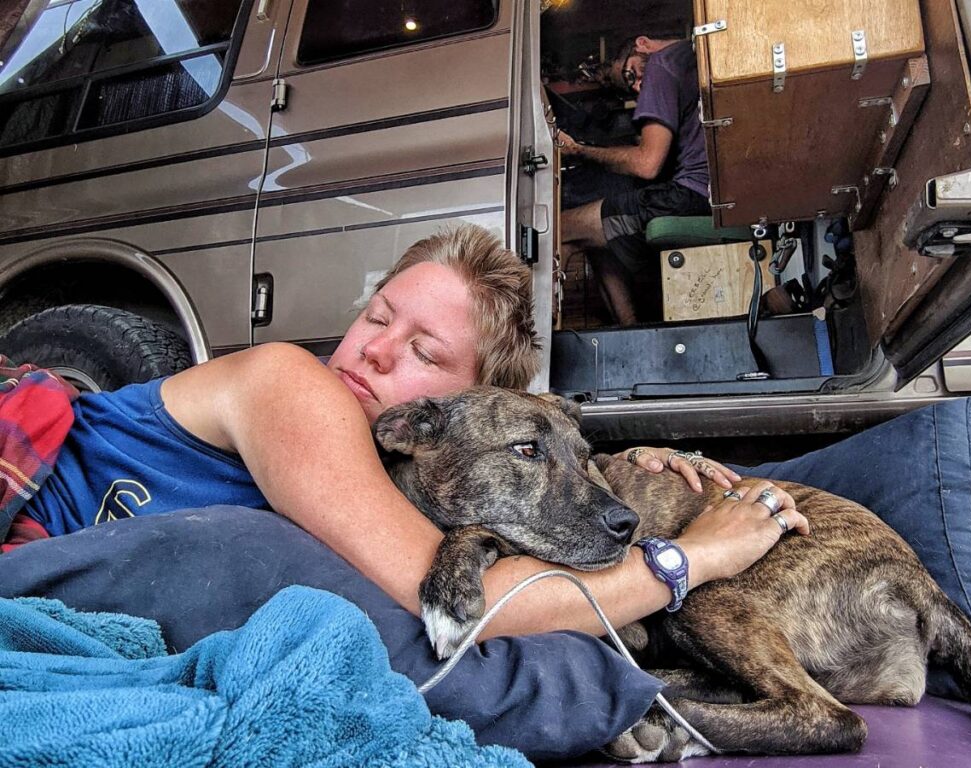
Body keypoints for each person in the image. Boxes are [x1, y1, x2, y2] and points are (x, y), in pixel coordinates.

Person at [16, 224, 806, 642]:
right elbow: (471, 603)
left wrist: (622, 467)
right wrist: (694, 557)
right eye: (377, 315)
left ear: (463, 409)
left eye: (424, 351)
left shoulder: (396, 469)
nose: (373, 349)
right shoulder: (291, 383)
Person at [558, 34, 710, 325]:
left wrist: (578, 150)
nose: (640, 85)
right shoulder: (695, 54)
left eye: (631, 74)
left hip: (688, 197)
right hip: (708, 196)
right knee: (593, 234)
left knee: (561, 227)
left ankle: (534, 344)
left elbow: (647, 164)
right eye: (633, 87)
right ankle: (629, 330)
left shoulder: (661, 65)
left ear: (642, 44)